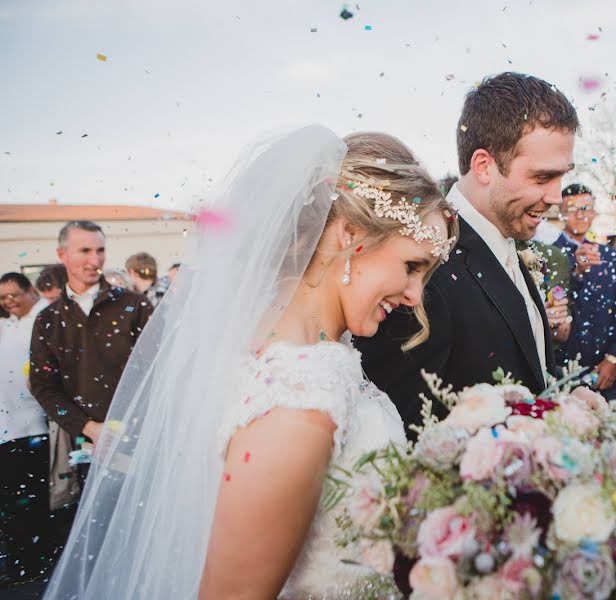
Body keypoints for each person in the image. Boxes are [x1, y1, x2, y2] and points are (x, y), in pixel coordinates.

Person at [43, 126, 458, 599]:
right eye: (412, 266)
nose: (415, 295)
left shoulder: (310, 355)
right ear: (349, 234)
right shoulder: (298, 398)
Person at [356, 72, 579, 437]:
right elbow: (405, 435)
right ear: (484, 166)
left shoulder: (507, 240)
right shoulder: (422, 267)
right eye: (542, 178)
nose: (557, 197)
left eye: (561, 177)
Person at [29, 222, 154, 449]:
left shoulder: (134, 306)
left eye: (100, 251)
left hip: (143, 439)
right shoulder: (47, 320)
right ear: (61, 254)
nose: (95, 261)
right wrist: (87, 427)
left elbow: (158, 370)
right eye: (84, 251)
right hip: (86, 445)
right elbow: (43, 387)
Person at [553, 183, 616, 398]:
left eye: (586, 207)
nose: (580, 214)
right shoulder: (550, 255)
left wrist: (613, 358)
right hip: (564, 373)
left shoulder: (609, 256)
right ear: (561, 213)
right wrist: (577, 272)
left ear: (594, 210)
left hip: (605, 370)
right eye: (572, 208)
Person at [0, 273, 50, 586]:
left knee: (32, 502)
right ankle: (19, 562)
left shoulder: (42, 320)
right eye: (3, 298)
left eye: (14, 295)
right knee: (11, 503)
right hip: (7, 427)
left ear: (30, 290)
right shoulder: (9, 325)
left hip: (33, 425)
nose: (9, 302)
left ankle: (33, 564)